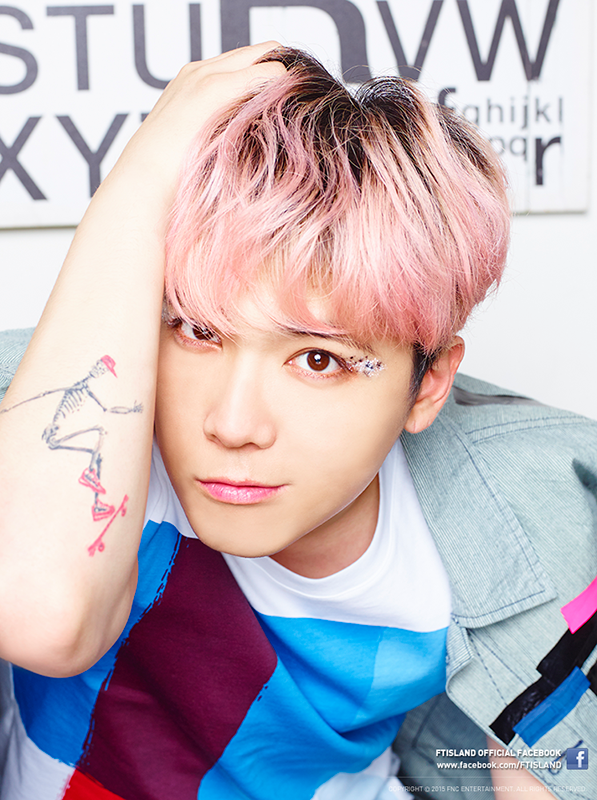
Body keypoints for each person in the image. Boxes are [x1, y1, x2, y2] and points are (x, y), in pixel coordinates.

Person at [0, 43, 595, 800]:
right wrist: (140, 179)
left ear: (427, 385)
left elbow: (557, 769)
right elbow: (46, 619)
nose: (232, 424)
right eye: (199, 331)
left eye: (319, 359)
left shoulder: (520, 526)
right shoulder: (63, 420)